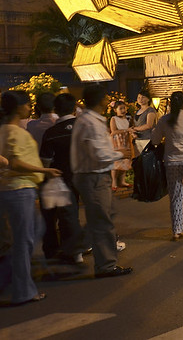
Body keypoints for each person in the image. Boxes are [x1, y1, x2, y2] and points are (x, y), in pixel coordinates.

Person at [0, 91, 62, 304]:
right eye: (27, 105)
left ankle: (17, 283)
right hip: (20, 189)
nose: (29, 108)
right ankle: (22, 290)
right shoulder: (15, 133)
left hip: (12, 189)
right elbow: (15, 163)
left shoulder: (5, 130)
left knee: (26, 237)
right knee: (24, 240)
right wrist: (46, 171)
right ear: (18, 107)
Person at [70, 84, 132, 278]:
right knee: (102, 221)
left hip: (94, 175)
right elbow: (99, 155)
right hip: (93, 175)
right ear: (100, 101)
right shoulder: (90, 122)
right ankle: (106, 265)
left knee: (106, 214)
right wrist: (119, 153)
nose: (108, 101)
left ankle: (74, 245)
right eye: (105, 98)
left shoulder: (91, 120)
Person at [151, 91, 183, 241]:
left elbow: (155, 141)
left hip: (171, 161)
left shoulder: (164, 120)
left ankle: (177, 230)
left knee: (175, 196)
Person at [39, 93, 84, 264]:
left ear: (55, 110)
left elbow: (45, 161)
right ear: (74, 108)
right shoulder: (85, 127)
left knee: (68, 215)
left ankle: (74, 252)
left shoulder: (51, 133)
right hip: (86, 175)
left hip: (63, 176)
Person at [109, 101, 133, 191]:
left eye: (124, 108)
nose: (123, 110)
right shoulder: (113, 119)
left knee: (125, 161)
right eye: (120, 108)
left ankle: (122, 181)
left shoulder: (128, 119)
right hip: (117, 142)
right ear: (115, 110)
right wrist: (126, 130)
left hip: (125, 141)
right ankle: (114, 182)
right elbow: (113, 131)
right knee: (116, 162)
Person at [131, 90, 157, 155]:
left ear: (148, 99)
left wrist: (135, 128)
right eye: (139, 97)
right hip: (137, 139)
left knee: (147, 159)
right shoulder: (137, 111)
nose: (140, 99)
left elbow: (149, 125)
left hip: (147, 139)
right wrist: (133, 132)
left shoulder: (150, 110)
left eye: (143, 97)